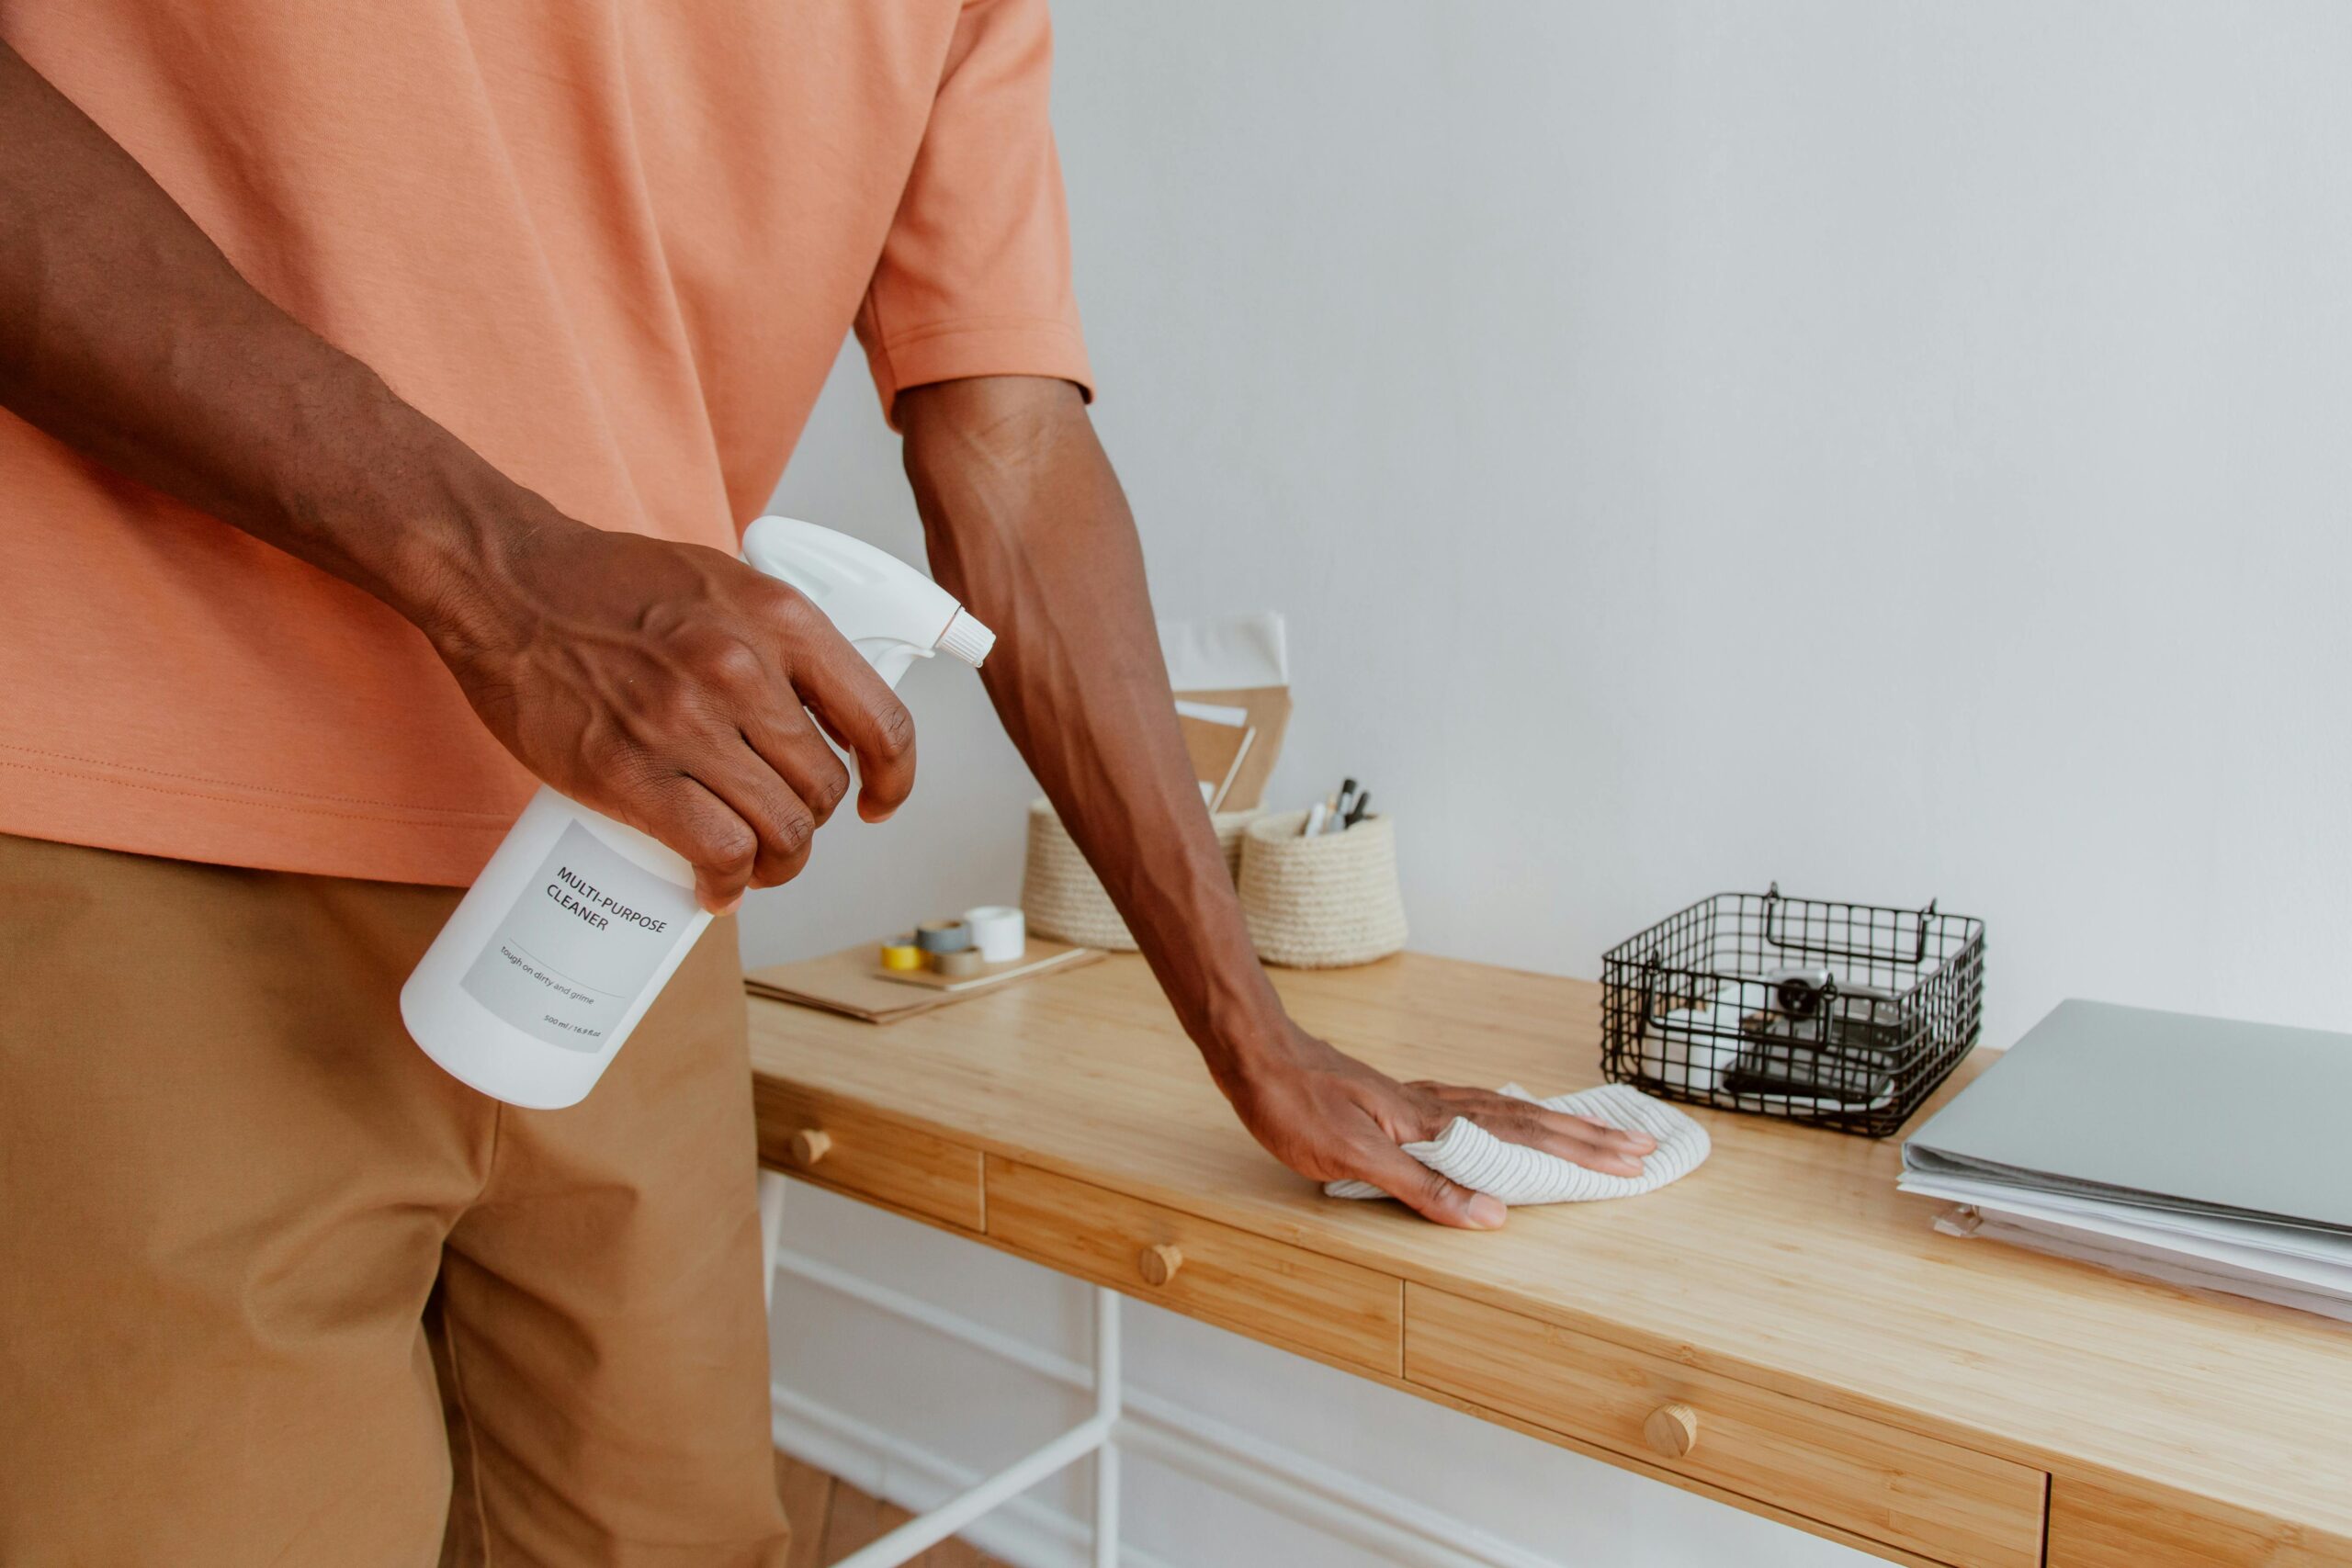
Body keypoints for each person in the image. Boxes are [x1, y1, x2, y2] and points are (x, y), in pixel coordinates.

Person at [0, 6, 1653, 1564]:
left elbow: (1010, 449)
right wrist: (494, 569)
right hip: (131, 833)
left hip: (622, 891)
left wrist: (1251, 1027)